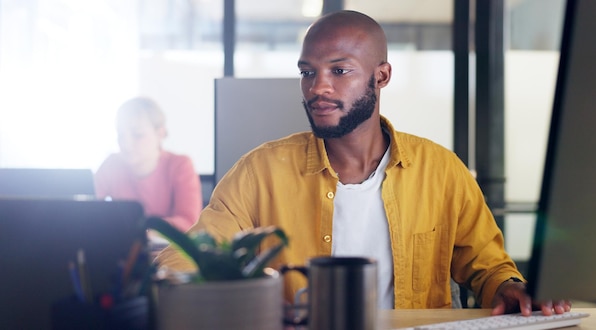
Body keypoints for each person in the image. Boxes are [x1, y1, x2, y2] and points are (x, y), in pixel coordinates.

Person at [155, 10, 570, 315]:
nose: (318, 87)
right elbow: (190, 256)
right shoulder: (259, 171)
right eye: (307, 72)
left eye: (339, 70)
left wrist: (507, 287)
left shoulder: (441, 170)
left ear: (381, 76)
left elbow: (488, 267)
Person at [94, 97, 202, 232]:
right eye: (121, 135)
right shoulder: (112, 165)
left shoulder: (180, 165)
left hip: (166, 252)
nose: (126, 144)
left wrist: (143, 230)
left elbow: (189, 222)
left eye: (138, 135)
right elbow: (87, 211)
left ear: (160, 134)